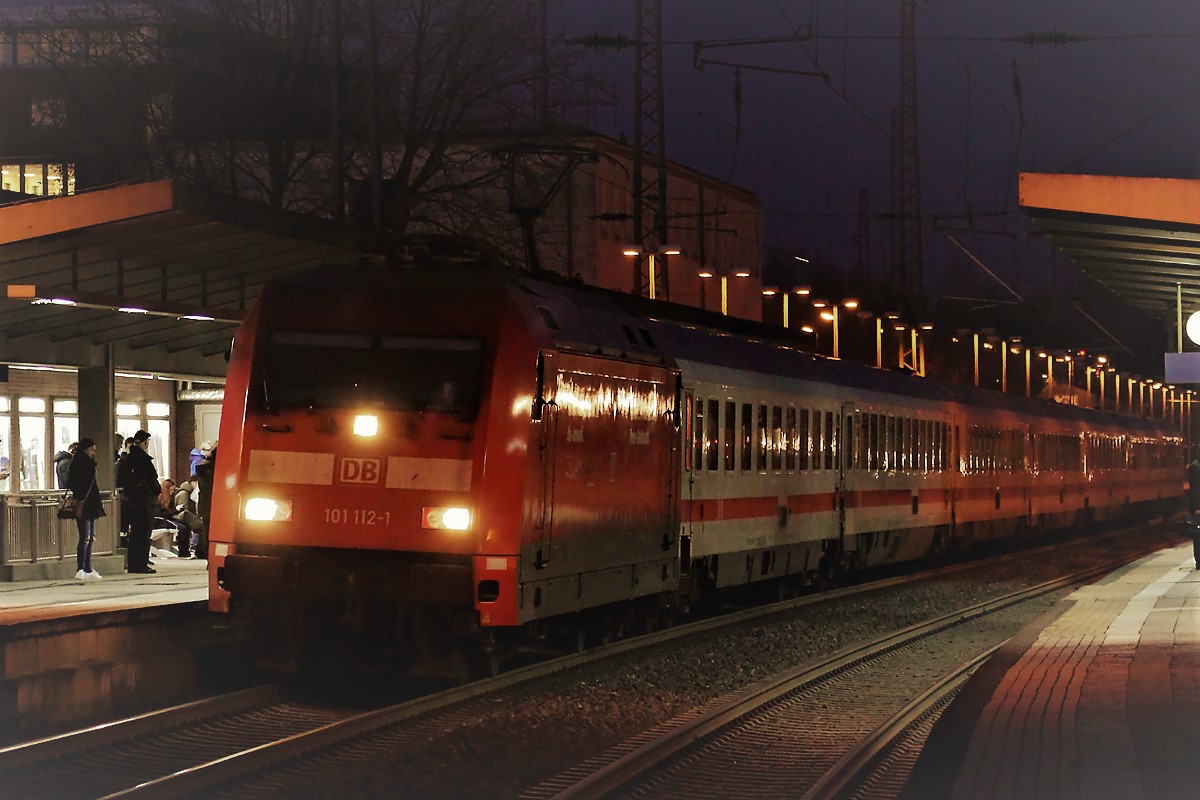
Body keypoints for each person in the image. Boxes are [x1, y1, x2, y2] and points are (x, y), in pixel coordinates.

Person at [116, 429, 161, 574]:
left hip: (131, 501)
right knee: (142, 534)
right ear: (144, 443)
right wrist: (151, 491)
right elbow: (150, 480)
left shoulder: (127, 459)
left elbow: (121, 480)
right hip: (143, 502)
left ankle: (134, 564)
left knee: (135, 535)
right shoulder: (142, 460)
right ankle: (140, 564)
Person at [65, 437, 105, 581]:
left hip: (87, 503)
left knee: (89, 537)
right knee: (85, 537)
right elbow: (81, 485)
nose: (93, 453)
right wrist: (82, 497)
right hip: (85, 503)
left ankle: (87, 567)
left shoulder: (78, 465)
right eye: (91, 449)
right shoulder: (83, 466)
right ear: (85, 449)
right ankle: (81, 568)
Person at [194, 443, 216, 559]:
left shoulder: (202, 468)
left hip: (205, 505)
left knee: (207, 532)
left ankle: (209, 558)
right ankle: (211, 557)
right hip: (215, 505)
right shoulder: (213, 470)